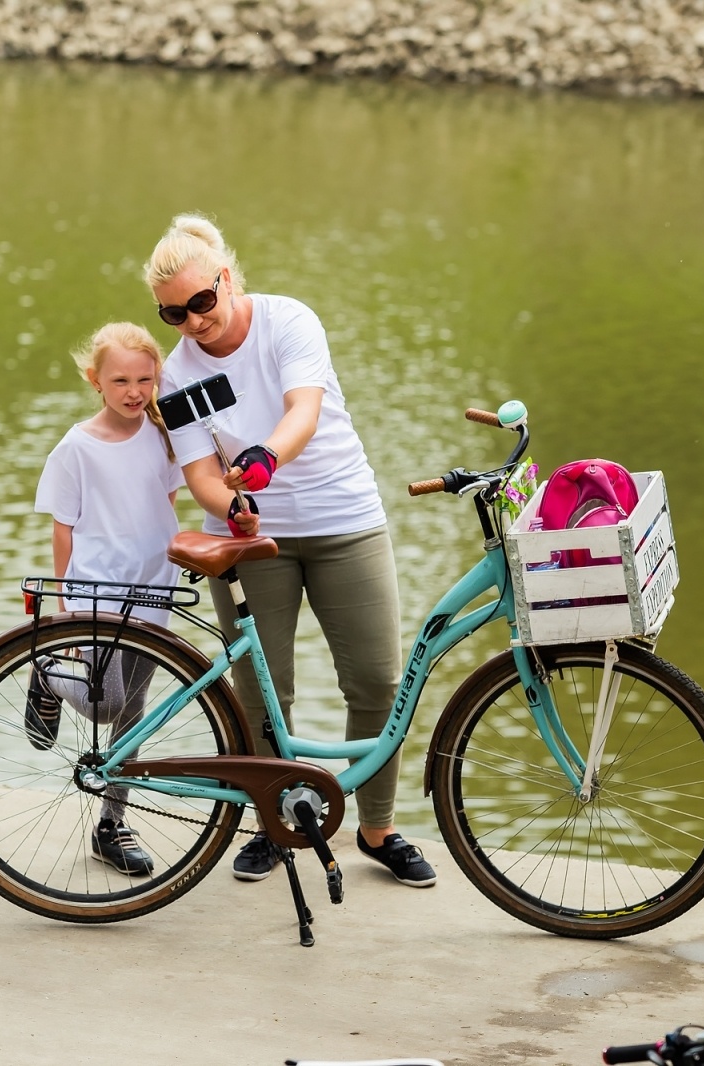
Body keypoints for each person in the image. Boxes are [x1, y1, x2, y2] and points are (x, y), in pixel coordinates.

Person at [143, 213, 435, 888]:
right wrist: (231, 506)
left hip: (344, 520)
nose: (192, 322)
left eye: (202, 302)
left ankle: (378, 828)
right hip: (251, 541)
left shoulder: (289, 322)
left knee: (376, 683)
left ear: (227, 278)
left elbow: (303, 409)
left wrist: (266, 458)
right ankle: (274, 825)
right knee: (263, 693)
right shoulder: (179, 375)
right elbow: (199, 474)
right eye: (172, 314)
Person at [30, 321, 188, 878]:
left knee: (134, 717)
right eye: (120, 379)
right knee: (106, 703)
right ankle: (50, 675)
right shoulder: (77, 447)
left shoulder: (164, 434)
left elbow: (165, 500)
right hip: (95, 589)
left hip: (152, 586)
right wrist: (67, 604)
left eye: (145, 379)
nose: (134, 391)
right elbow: (63, 527)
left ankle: (111, 824)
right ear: (95, 380)